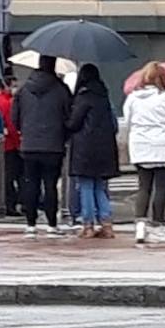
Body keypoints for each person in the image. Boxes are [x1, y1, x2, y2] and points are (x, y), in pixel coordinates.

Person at [122, 63, 165, 245]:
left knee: (144, 186)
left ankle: (140, 224)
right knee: (161, 187)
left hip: (140, 145)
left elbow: (128, 120)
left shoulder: (133, 98)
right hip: (163, 145)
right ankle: (156, 226)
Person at [12, 55, 72, 237]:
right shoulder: (61, 90)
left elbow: (15, 118)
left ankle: (30, 224)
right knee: (50, 185)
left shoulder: (24, 90)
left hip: (29, 144)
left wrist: (25, 130)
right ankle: (52, 225)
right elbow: (69, 116)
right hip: (53, 145)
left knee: (30, 183)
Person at [66, 64, 118, 238]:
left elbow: (74, 123)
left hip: (85, 148)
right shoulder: (104, 97)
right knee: (100, 187)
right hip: (105, 148)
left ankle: (88, 224)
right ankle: (107, 224)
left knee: (86, 186)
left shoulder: (83, 97)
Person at [0, 79, 22, 214]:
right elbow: (12, 125)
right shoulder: (7, 102)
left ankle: (9, 204)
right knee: (13, 176)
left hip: (5, 144)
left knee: (7, 176)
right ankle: (12, 205)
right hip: (11, 145)